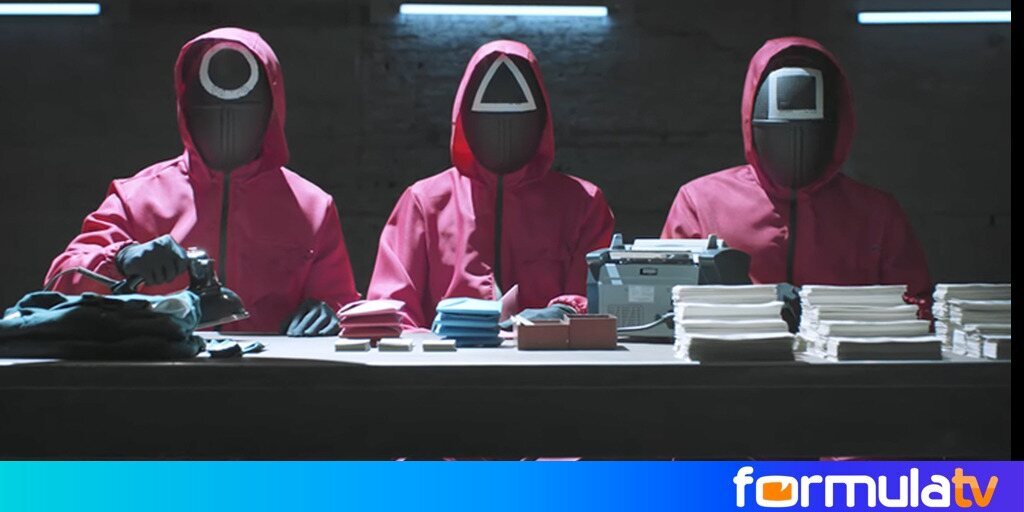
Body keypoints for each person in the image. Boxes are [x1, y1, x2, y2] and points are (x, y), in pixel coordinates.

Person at [44, 27, 360, 335]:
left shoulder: (312, 208)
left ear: (271, 110)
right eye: (210, 108)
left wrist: (332, 313)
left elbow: (347, 307)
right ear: (187, 108)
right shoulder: (136, 198)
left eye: (244, 108)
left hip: (271, 369)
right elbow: (59, 284)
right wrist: (120, 259)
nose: (226, 121)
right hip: (160, 366)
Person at [661, 37, 931, 317]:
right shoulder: (701, 202)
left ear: (835, 126)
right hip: (734, 345)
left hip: (847, 345)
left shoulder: (876, 213)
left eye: (809, 131)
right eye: (781, 132)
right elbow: (667, 302)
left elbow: (915, 309)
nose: (794, 144)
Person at [368, 40, 614, 329]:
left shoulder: (582, 203)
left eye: (518, 114)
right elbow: (391, 310)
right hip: (448, 357)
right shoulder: (424, 202)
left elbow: (599, 301)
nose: (503, 128)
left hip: (548, 354)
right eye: (488, 115)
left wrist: (567, 312)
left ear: (541, 118)